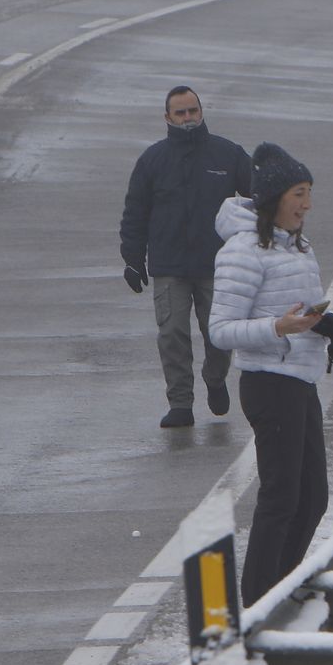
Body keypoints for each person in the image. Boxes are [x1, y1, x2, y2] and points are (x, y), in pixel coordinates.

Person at [208, 143, 333, 607]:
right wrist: (278, 328)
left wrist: (325, 324)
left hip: (300, 380)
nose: (308, 205)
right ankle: (258, 603)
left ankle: (280, 588)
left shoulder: (298, 245)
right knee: (281, 498)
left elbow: (296, 310)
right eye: (299, 194)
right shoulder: (242, 251)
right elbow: (220, 330)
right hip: (269, 382)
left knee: (312, 499)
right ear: (274, 199)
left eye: (309, 193)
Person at [119, 85, 253, 428]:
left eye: (193, 110)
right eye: (180, 113)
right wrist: (132, 259)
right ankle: (180, 403)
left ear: (201, 111)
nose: (188, 118)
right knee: (172, 334)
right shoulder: (152, 160)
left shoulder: (228, 154)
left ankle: (215, 378)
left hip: (217, 265)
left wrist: (259, 243)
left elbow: (260, 197)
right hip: (169, 265)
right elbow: (135, 212)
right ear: (168, 117)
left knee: (219, 334)